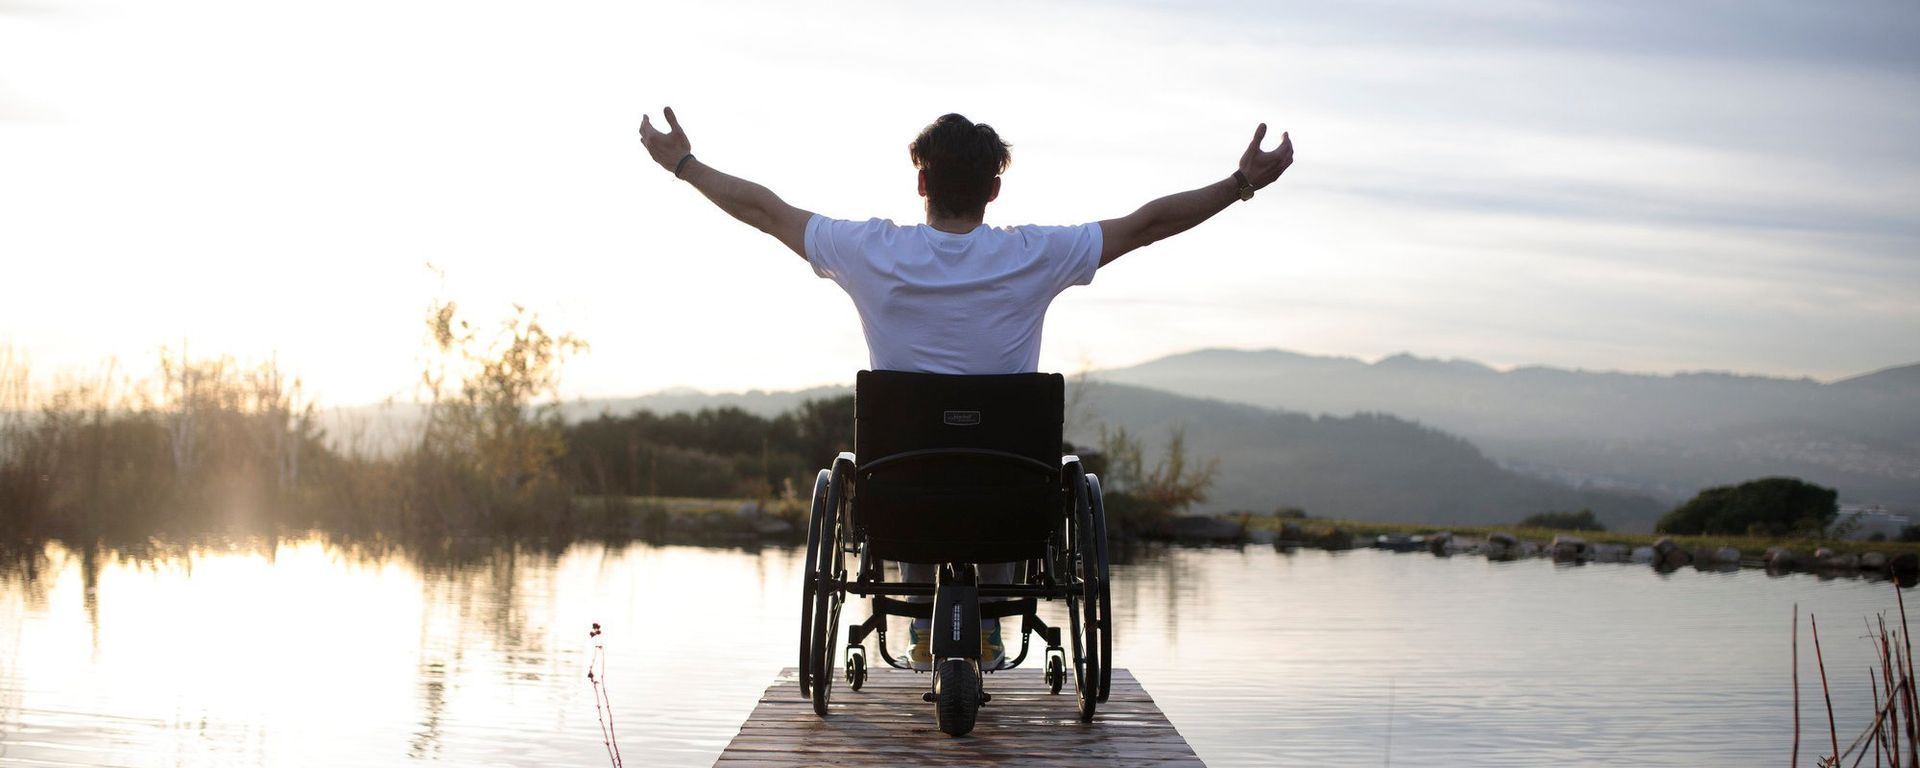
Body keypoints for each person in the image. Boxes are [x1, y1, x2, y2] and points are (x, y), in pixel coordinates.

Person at [638, 108, 1293, 669]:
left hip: (901, 495)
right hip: (1010, 495)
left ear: (921, 179)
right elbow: (1146, 224)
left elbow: (764, 209)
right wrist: (1240, 183)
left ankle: (926, 629)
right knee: (1015, 478)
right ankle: (986, 624)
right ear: (995, 188)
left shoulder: (868, 249)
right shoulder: (1037, 253)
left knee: (910, 481)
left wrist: (685, 165)